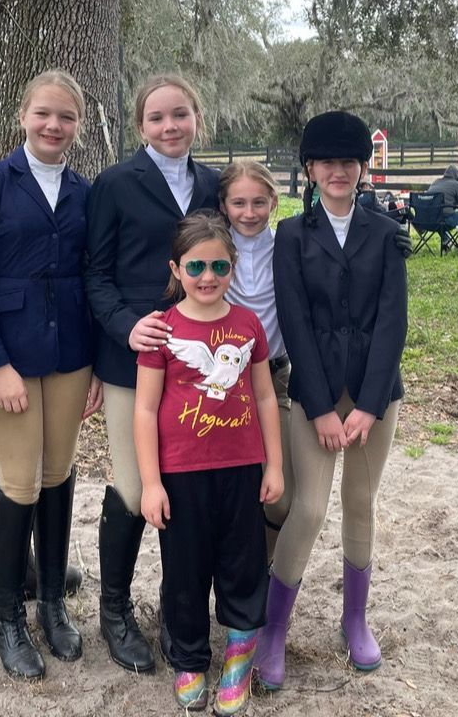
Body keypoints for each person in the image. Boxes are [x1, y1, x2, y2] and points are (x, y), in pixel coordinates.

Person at [0, 70, 103, 679]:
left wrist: (95, 363)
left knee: (58, 473)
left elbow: (92, 279)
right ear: (23, 116)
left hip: (69, 354)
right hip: (6, 359)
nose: (53, 126)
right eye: (44, 114)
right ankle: (6, 617)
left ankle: (49, 607)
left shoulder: (85, 193)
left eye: (65, 117)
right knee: (18, 482)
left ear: (78, 126)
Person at [256, 111, 407, 690]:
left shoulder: (386, 231)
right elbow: (292, 319)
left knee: (360, 501)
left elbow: (393, 322)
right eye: (327, 163)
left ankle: (354, 619)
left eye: (349, 162)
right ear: (311, 170)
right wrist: (319, 407)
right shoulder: (293, 235)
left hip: (374, 393)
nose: (338, 171)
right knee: (310, 508)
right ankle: (273, 630)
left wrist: (368, 405)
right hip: (314, 390)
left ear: (360, 169)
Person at [84, 73, 221, 673]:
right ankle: (114, 609)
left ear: (197, 118)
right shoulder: (114, 184)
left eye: (181, 115)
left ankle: (178, 607)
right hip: (133, 356)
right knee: (138, 489)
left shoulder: (214, 183)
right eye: (158, 117)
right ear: (141, 125)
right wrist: (124, 325)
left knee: (187, 485)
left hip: (199, 361)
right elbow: (94, 272)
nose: (171, 127)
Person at [134, 212, 284, 715]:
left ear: (233, 267)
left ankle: (238, 659)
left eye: (220, 265)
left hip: (241, 468)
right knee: (186, 571)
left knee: (243, 565)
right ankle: (191, 659)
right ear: (176, 269)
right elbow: (145, 409)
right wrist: (151, 483)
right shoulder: (163, 331)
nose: (208, 276)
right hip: (181, 474)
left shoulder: (247, 325)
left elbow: (264, 396)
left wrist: (274, 465)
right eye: (196, 266)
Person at [218, 161, 293, 563]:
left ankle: (264, 569)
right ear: (224, 204)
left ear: (273, 203)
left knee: (278, 495)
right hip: (221, 380)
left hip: (275, 377)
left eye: (259, 202)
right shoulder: (212, 250)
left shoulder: (288, 245)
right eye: (239, 203)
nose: (249, 213)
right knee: (229, 488)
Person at [424, 163, 458, 252]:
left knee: (439, 213)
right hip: (444, 221)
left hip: (427, 222)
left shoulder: (435, 182)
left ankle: (446, 240)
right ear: (457, 177)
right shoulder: (456, 185)